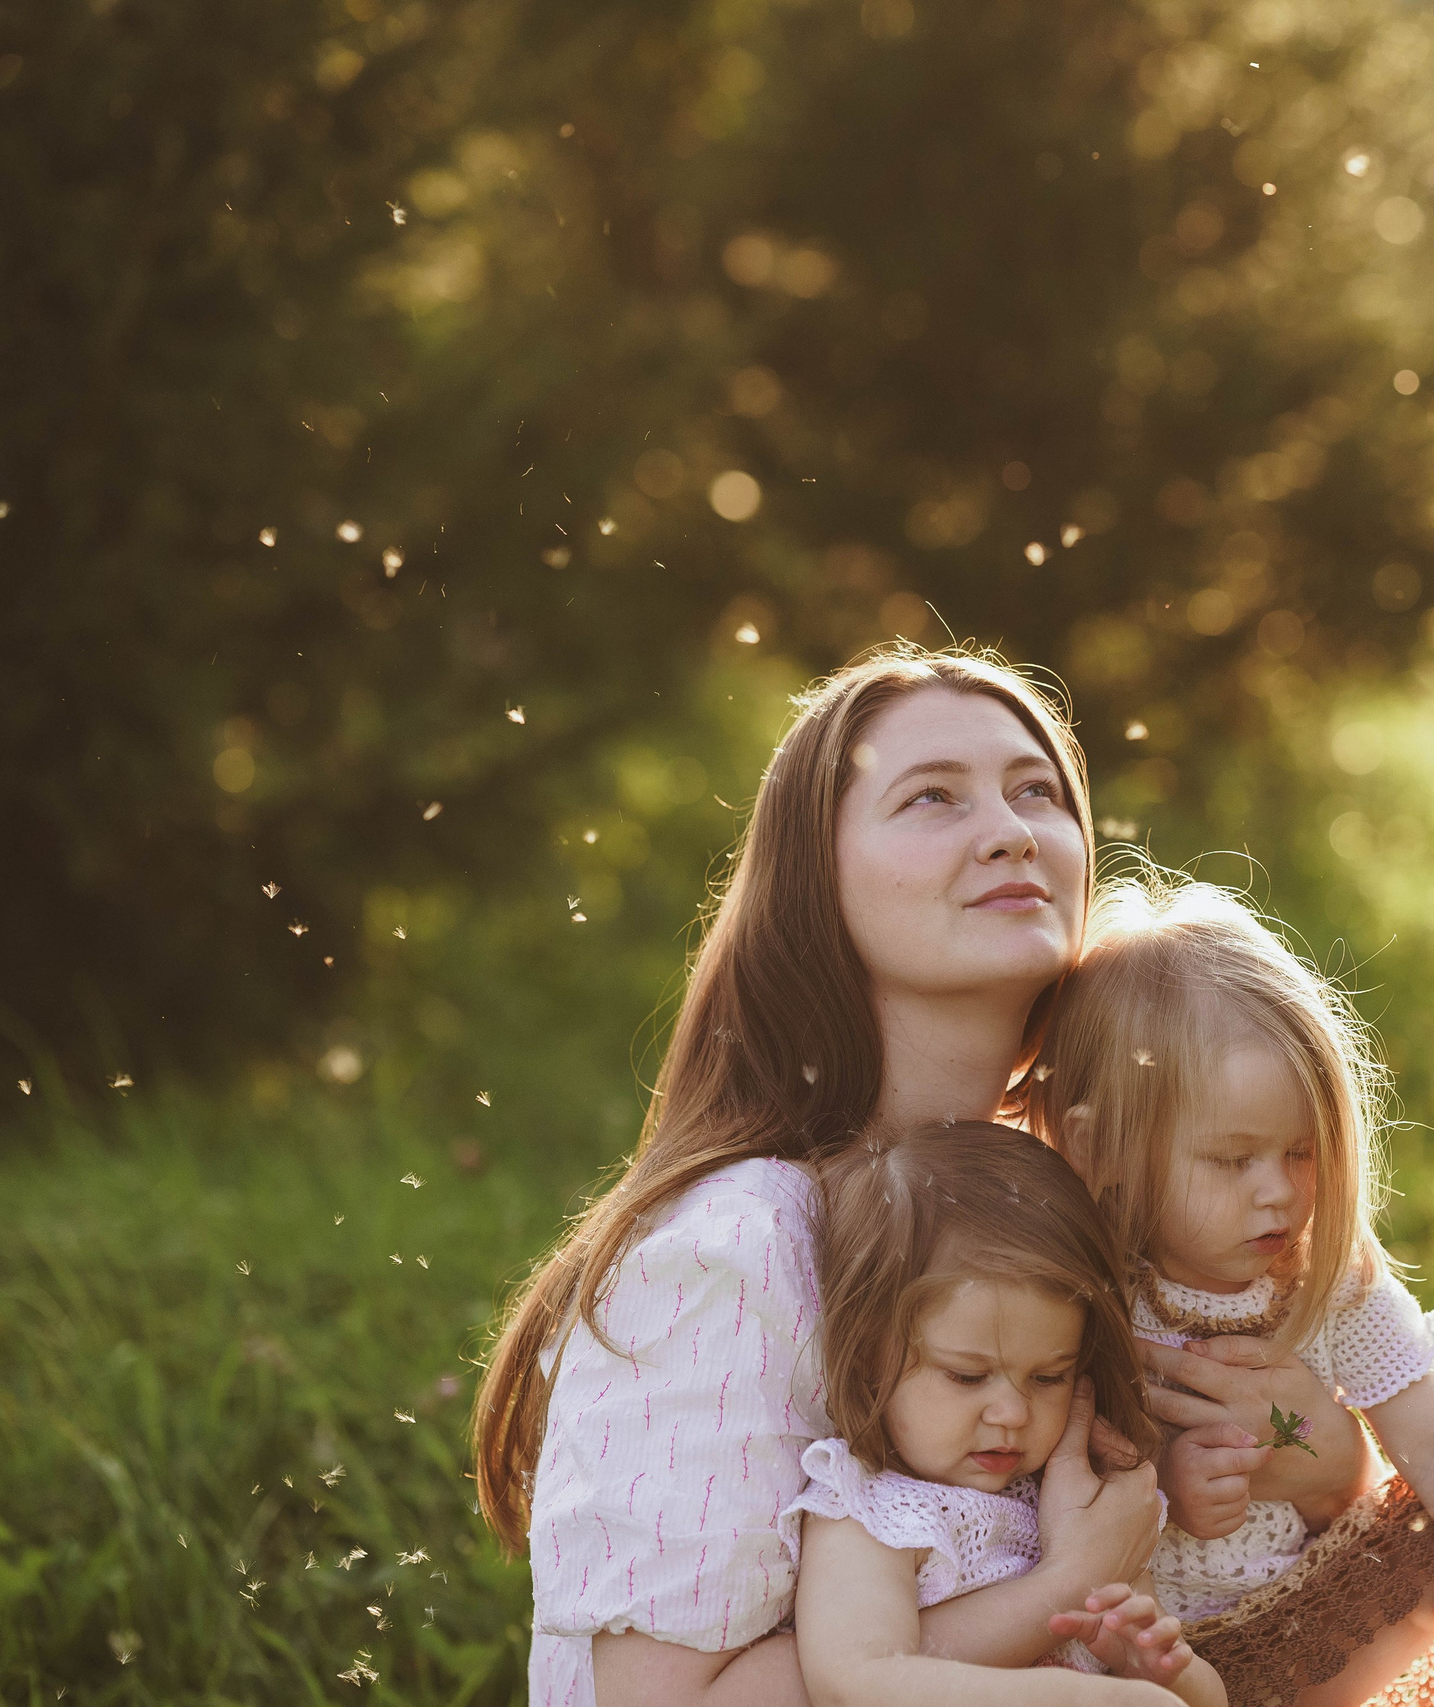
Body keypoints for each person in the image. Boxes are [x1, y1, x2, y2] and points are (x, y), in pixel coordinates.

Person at [470, 647, 1374, 1707]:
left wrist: (1329, 1472)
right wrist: (1065, 1587)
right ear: (814, 880)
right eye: (932, 797)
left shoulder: (1072, 1192)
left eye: (1036, 792)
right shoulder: (734, 1247)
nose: (1010, 831)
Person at [1028, 872, 1434, 1707]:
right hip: (1160, 1658)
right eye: (1232, 1159)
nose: (1278, 1190)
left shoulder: (1327, 1282)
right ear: (1100, 1149)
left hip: (1316, 1628)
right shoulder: (1084, 1299)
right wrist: (1161, 1483)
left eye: (1302, 1152)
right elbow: (1039, 1476)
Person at [786, 1121, 1222, 1706]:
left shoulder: (1077, 1508)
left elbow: (1207, 1698)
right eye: (967, 1376)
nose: (1014, 1413)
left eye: (1049, 1377)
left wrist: (1163, 1674)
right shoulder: (871, 1511)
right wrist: (1070, 1694)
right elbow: (854, 1682)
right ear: (868, 1354)